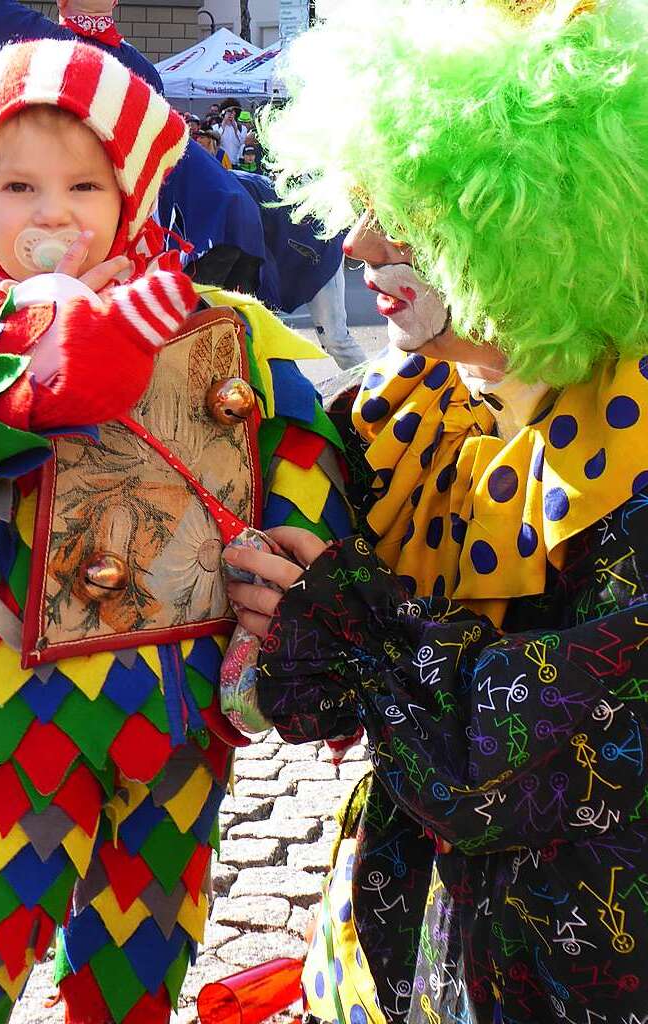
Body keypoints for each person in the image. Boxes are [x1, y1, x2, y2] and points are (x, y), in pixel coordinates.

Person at [0, 38, 350, 1024]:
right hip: (28, 715)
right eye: (18, 185)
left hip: (181, 711)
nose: (52, 211)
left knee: (145, 936)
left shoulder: (223, 325)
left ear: (131, 192)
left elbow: (298, 430)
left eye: (84, 184)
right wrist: (21, 386)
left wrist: (295, 546)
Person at [225, 0, 648, 1021]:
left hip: (579, 963)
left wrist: (346, 613)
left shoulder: (630, 457)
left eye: (418, 209)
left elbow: (524, 750)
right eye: (367, 196)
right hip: (401, 942)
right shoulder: (393, 418)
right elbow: (303, 690)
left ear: (552, 224)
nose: (363, 238)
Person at [0, 0, 270, 292]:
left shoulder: (137, 66)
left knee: (229, 199)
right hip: (58, 221)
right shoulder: (51, 40)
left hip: (116, 219)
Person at [235, 169, 366, 369]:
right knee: (261, 336)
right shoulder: (223, 184)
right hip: (288, 256)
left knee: (336, 340)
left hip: (320, 250)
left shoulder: (232, 186)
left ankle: (376, 391)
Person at [218, 99, 247, 166]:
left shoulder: (242, 128)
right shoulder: (216, 127)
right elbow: (216, 141)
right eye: (228, 111)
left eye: (233, 111)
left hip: (237, 164)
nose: (231, 113)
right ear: (223, 112)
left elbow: (242, 143)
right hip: (222, 163)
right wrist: (223, 125)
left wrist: (235, 128)